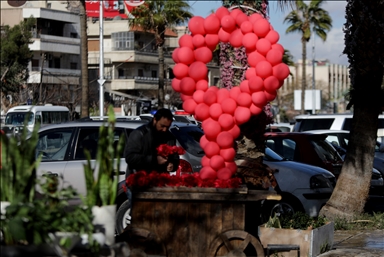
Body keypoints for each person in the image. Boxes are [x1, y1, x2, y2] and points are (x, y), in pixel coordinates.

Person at [124, 108, 180, 177]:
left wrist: (172, 164)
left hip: (159, 181)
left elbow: (175, 157)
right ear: (155, 120)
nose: (164, 130)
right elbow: (130, 158)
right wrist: (154, 160)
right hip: (139, 181)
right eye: (162, 126)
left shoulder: (169, 137)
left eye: (167, 127)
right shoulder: (139, 134)